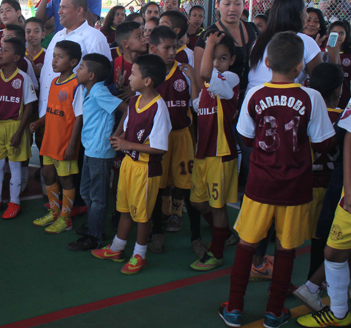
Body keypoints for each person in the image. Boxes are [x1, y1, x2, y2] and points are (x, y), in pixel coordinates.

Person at [220, 32, 335, 328]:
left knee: (247, 243)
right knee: (286, 248)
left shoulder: (255, 94)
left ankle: (234, 307)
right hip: (296, 186)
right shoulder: (312, 97)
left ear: (267, 62)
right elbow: (324, 143)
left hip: (260, 183)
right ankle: (274, 312)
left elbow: (244, 136)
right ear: (301, 66)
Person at [91, 54, 171, 274]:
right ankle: (117, 248)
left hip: (146, 169)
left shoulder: (159, 108)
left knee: (142, 215)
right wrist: (119, 138)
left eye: (134, 74)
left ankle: (139, 254)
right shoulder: (134, 101)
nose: (129, 77)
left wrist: (127, 143)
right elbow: (127, 128)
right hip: (129, 164)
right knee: (125, 209)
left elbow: (159, 147)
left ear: (147, 81)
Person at [291, 62, 343, 313]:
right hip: (328, 188)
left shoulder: (303, 110)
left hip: (301, 184)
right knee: (322, 241)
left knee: (287, 237)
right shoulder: (344, 117)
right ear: (338, 89)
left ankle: (277, 283)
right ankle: (315, 285)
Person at [146, 26, 200, 255]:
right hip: (157, 139)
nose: (171, 52)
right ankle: (157, 232)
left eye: (174, 47)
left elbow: (196, 106)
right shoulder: (147, 73)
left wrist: (195, 80)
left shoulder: (186, 72)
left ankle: (196, 237)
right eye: (166, 47)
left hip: (181, 137)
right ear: (152, 48)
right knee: (158, 187)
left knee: (187, 187)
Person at [189, 32, 240, 271]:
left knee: (217, 206)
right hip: (203, 152)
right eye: (215, 57)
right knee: (198, 202)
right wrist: (192, 80)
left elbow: (206, 72)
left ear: (231, 61)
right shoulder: (209, 87)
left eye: (223, 58)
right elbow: (197, 106)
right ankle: (226, 233)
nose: (217, 62)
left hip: (220, 153)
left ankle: (216, 252)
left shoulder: (230, 79)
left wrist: (208, 44)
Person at [67, 53, 126, 251]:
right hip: (91, 149)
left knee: (98, 197)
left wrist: (117, 136)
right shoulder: (88, 90)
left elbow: (127, 110)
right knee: (86, 191)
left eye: (81, 67)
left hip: (100, 151)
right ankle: (94, 226)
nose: (77, 70)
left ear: (91, 75)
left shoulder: (100, 93)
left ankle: (95, 236)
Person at [0, 38, 37, 219]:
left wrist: (20, 132)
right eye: (0, 50)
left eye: (5, 51)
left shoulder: (23, 78)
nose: (0, 53)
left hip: (15, 126)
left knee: (14, 166)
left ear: (16, 57)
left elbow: (29, 106)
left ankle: (14, 202)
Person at [30, 40, 83, 233]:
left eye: (60, 57)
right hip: (49, 139)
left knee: (66, 179)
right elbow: (53, 110)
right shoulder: (54, 81)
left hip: (64, 142)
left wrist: (72, 144)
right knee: (47, 174)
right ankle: (54, 211)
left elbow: (79, 117)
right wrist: (39, 122)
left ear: (73, 62)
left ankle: (65, 218)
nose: (54, 60)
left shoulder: (77, 85)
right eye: (54, 56)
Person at [39, 0, 111, 119]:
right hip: (47, 110)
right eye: (60, 7)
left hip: (74, 114)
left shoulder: (95, 38)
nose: (59, 11)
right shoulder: (58, 35)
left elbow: (102, 78)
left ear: (79, 10)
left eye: (64, 7)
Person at [247, 0, 323, 93]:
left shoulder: (259, 41)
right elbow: (321, 83)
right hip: (284, 102)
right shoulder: (304, 41)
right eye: (305, 11)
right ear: (299, 15)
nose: (307, 15)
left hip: (252, 100)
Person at [194, 0, 260, 91]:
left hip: (252, 95)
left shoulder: (253, 29)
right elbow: (200, 81)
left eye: (238, 4)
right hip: (222, 100)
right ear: (218, 5)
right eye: (227, 4)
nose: (232, 9)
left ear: (244, 5)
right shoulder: (207, 36)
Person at [328, 21, 351, 108]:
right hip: (324, 100)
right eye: (334, 33)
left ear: (346, 35)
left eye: (341, 33)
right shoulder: (322, 52)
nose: (338, 36)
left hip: (345, 101)